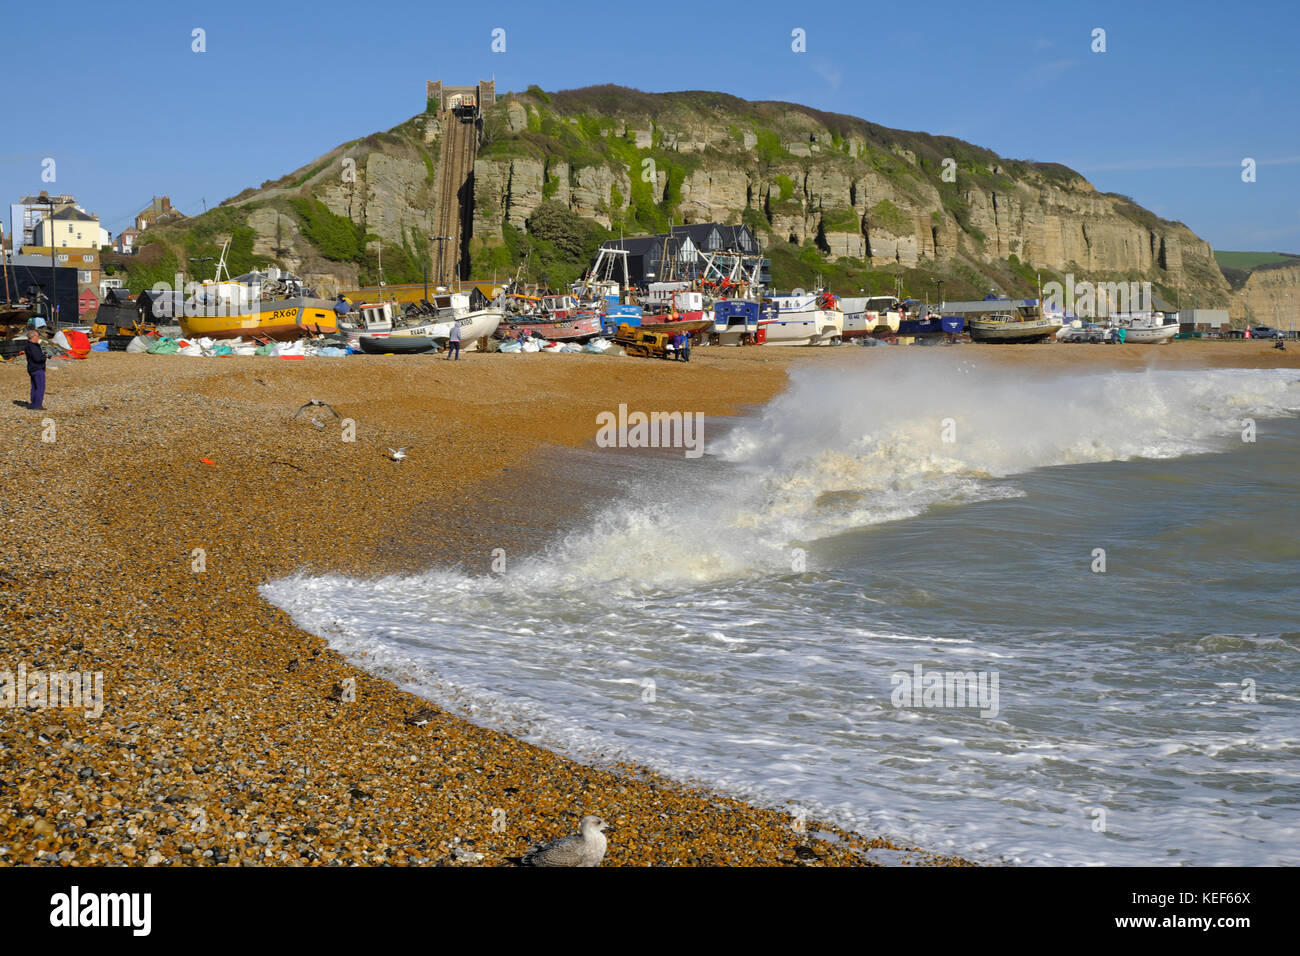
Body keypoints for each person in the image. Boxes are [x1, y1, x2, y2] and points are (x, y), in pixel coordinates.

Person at [24, 329, 46, 411]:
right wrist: (44, 357)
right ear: (33, 337)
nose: (38, 337)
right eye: (37, 336)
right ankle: (37, 405)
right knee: (40, 387)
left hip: (32, 368)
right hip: (37, 368)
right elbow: (37, 358)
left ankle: (34, 404)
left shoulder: (29, 345)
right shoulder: (33, 346)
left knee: (34, 387)